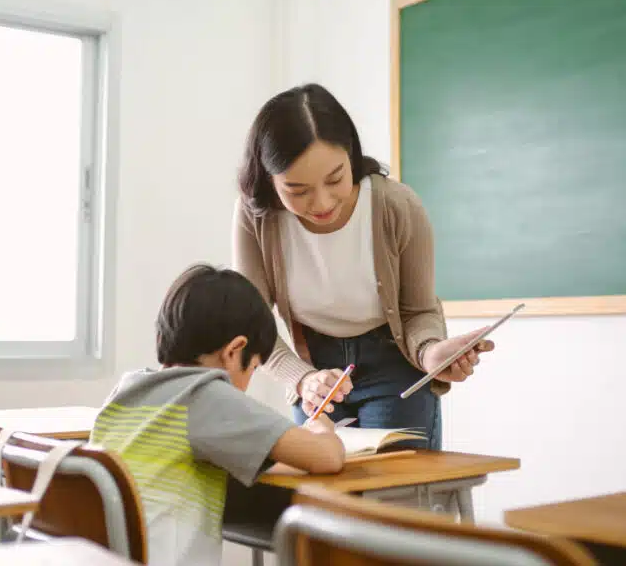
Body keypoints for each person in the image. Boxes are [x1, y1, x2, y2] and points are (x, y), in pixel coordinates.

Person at [233, 83, 495, 450]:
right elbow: (252, 324)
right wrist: (302, 379)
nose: (321, 202)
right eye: (297, 190)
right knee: (324, 500)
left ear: (351, 155)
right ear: (268, 178)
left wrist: (431, 353)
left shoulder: (396, 206)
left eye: (335, 178)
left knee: (396, 497)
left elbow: (418, 311)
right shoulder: (256, 217)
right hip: (316, 372)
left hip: (394, 363)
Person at [90, 264, 344, 566]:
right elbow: (327, 458)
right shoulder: (205, 395)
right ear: (236, 350)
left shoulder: (127, 390)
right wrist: (322, 428)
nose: (248, 380)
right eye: (253, 368)